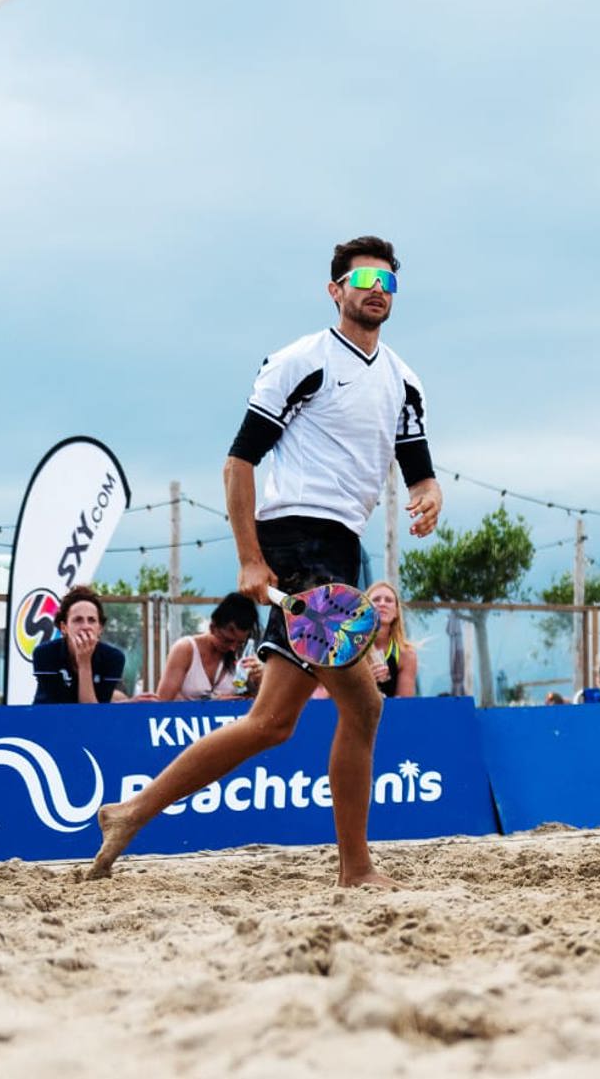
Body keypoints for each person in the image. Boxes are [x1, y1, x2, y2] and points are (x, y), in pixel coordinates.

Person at [88, 236, 444, 887]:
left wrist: (428, 493)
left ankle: (131, 810)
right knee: (363, 707)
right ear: (335, 289)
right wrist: (250, 558)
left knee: (272, 722)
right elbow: (238, 461)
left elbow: (416, 468)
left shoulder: (403, 379)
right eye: (363, 277)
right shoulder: (300, 361)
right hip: (295, 538)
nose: (376, 289)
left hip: (341, 547)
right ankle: (356, 868)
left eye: (388, 282)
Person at [146, 597, 262, 702]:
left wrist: (257, 682)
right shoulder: (185, 650)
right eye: (227, 640)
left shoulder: (243, 656)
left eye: (240, 643)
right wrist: (212, 702)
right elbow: (163, 701)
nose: (233, 648)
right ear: (212, 627)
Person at [32, 585, 128, 704]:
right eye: (78, 620)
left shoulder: (113, 658)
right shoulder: (45, 654)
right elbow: (60, 711)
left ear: (100, 628)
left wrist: (84, 663)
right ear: (64, 627)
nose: (85, 626)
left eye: (91, 620)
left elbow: (93, 714)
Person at [362, 581, 417, 698]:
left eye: (388, 600)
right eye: (376, 599)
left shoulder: (406, 654)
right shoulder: (351, 648)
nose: (382, 604)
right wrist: (366, 680)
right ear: (365, 609)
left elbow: (404, 704)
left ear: (396, 612)